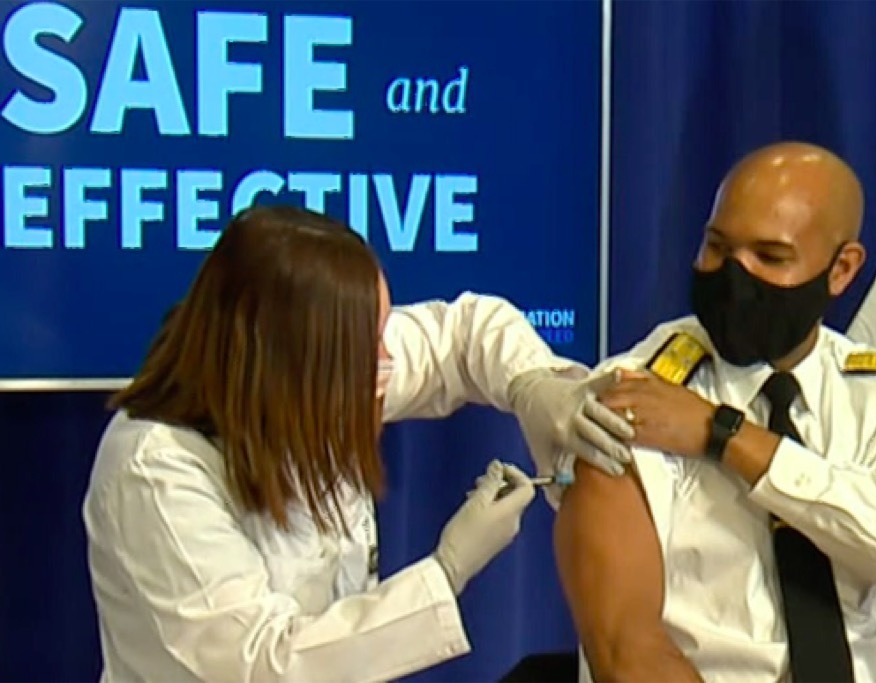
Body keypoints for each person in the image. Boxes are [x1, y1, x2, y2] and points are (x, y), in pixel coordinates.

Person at [82, 205, 634, 683]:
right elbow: (265, 666)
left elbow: (465, 335)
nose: (387, 367)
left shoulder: (313, 388)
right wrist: (448, 570)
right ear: (291, 363)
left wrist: (533, 385)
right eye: (370, 349)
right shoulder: (153, 471)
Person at [552, 142, 876, 682]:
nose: (735, 277)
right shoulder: (634, 393)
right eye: (717, 248)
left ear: (841, 270)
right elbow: (626, 653)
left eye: (770, 258)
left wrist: (727, 436)